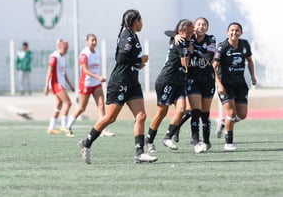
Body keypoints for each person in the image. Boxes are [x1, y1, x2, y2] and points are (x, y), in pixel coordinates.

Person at [78, 9, 157, 164]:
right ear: (135, 21)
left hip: (132, 83)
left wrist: (138, 64)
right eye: (141, 20)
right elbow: (121, 58)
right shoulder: (126, 36)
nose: (142, 23)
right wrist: (139, 59)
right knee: (110, 118)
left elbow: (129, 59)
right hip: (120, 82)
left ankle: (139, 153)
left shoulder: (134, 36)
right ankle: (86, 143)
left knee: (141, 116)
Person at [145, 19, 194, 152]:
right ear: (181, 31)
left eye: (192, 31)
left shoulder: (184, 40)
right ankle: (149, 140)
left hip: (178, 82)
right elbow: (185, 64)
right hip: (167, 80)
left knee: (183, 109)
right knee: (162, 112)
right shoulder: (181, 42)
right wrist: (189, 52)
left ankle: (167, 137)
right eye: (188, 32)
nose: (191, 34)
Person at [170, 17, 216, 153]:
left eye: (204, 25)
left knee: (205, 114)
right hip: (192, 79)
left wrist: (193, 50)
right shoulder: (188, 37)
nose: (201, 27)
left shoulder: (211, 39)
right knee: (195, 112)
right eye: (199, 24)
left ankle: (206, 141)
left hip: (208, 79)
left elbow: (209, 57)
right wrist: (176, 35)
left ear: (207, 28)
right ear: (194, 27)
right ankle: (196, 142)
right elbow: (168, 32)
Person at [212, 22, 257, 151]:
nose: (234, 32)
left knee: (242, 115)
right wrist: (219, 84)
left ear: (241, 33)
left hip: (240, 84)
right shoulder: (222, 47)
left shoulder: (244, 44)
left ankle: (222, 123)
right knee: (231, 112)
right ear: (227, 32)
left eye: (237, 30)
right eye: (232, 30)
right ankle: (228, 143)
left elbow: (249, 61)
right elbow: (213, 67)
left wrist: (253, 76)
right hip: (226, 85)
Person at [65, 34, 114, 137]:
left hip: (96, 84)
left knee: (101, 106)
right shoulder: (84, 54)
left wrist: (97, 79)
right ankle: (68, 126)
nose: (94, 42)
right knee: (82, 108)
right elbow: (85, 70)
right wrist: (98, 77)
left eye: (95, 40)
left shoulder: (97, 53)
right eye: (92, 40)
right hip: (86, 84)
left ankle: (103, 129)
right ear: (87, 42)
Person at [44, 39, 75, 134]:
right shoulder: (54, 57)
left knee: (58, 105)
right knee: (68, 103)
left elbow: (63, 73)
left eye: (67, 48)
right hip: (55, 84)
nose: (66, 50)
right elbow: (49, 71)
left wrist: (70, 85)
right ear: (60, 47)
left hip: (60, 84)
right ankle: (64, 125)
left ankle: (51, 127)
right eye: (65, 48)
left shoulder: (62, 58)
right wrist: (46, 86)